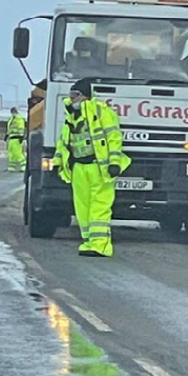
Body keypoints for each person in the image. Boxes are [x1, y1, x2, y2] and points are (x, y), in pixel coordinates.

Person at [52, 79, 130, 257]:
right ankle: (89, 241)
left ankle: (101, 245)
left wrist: (114, 164)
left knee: (100, 206)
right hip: (79, 167)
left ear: (85, 95)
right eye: (70, 96)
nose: (72, 99)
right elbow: (63, 143)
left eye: (75, 95)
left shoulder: (102, 112)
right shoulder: (71, 116)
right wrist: (58, 165)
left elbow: (114, 138)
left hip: (98, 168)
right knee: (82, 207)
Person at [5, 108, 25, 172]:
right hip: (11, 139)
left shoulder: (19, 119)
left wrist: (21, 136)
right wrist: (7, 135)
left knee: (18, 153)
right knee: (11, 154)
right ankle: (11, 167)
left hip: (17, 138)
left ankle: (23, 167)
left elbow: (21, 128)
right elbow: (10, 129)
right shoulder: (11, 119)